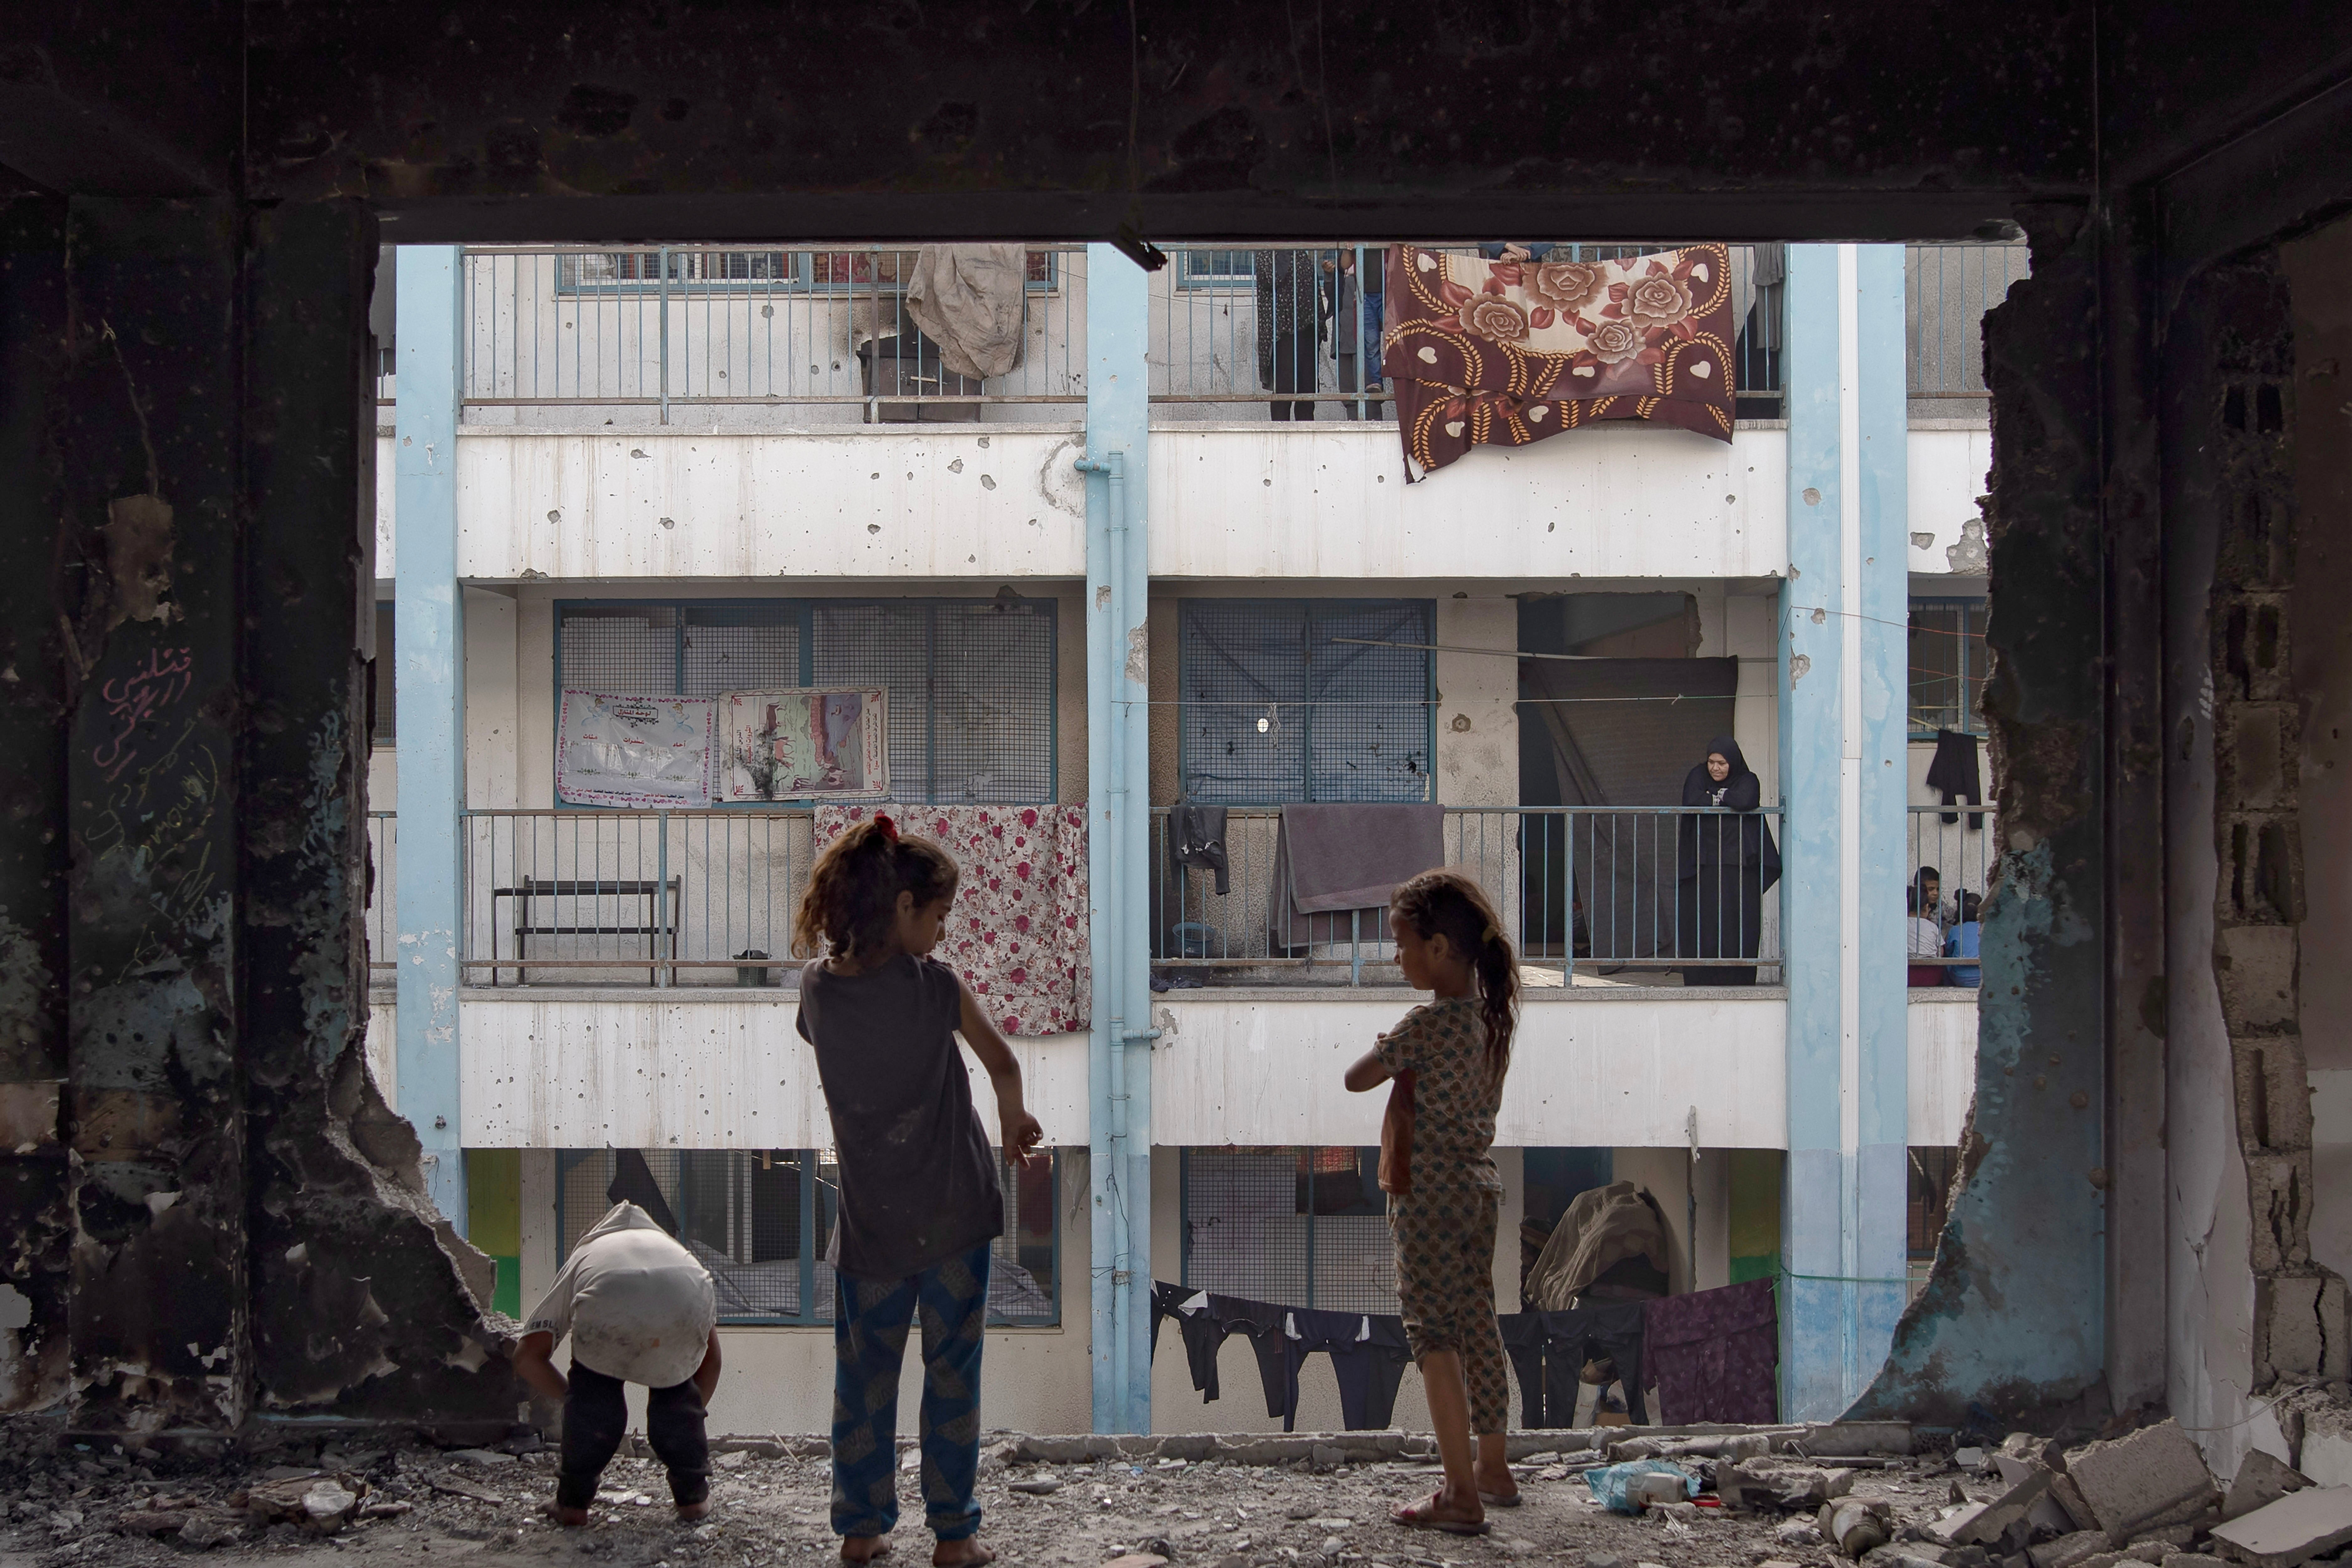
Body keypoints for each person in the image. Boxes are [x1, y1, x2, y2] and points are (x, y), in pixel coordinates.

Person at [792, 813, 1047, 1568]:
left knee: (863, 1383)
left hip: (871, 1228)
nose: (940, 932)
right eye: (937, 915)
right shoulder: (936, 988)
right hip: (955, 1218)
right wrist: (1013, 1119)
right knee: (951, 1380)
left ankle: (862, 1529)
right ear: (902, 907)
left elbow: (823, 1030)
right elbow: (1002, 1062)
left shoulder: (815, 991)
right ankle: (955, 1536)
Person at [1341, 870, 1521, 1536]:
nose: (1397, 956)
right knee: (1478, 1323)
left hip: (1429, 1191)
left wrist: (1395, 1046)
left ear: (1441, 948)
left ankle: (1459, 1493)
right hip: (1478, 1185)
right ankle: (1494, 1468)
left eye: (1403, 943)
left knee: (1433, 1334)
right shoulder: (1490, 1019)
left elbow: (1356, 1078)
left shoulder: (1430, 1023)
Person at [512, 1200, 722, 1527]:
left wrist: (575, 1401)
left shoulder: (588, 1253)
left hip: (608, 1291)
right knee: (676, 1393)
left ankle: (572, 1503)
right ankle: (693, 1497)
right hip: (687, 1288)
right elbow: (714, 1359)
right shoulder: (674, 1251)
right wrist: (690, 1409)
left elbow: (526, 1356)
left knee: (596, 1396)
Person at [1676, 736, 1780, 985]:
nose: (1715, 769)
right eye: (1712, 762)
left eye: (1722, 763)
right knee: (1704, 923)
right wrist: (1725, 798)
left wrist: (1716, 795)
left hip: (1739, 867)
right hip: (1704, 866)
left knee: (1737, 923)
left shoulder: (1747, 779)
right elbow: (1692, 798)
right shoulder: (1697, 775)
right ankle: (1700, 979)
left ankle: (1738, 979)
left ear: (1732, 762)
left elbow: (1746, 800)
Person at [1254, 248, 1323, 421]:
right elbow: (1272, 279)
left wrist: (1320, 324)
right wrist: (1286, 248)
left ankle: (1307, 438)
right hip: (1282, 332)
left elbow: (1312, 286)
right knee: (1284, 390)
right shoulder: (1266, 253)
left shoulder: (1301, 253)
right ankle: (1280, 436)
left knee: (1307, 389)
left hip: (1307, 328)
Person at [1908, 867, 1946, 986]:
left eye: (1938, 889)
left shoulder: (1943, 908)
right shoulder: (1906, 906)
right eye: (1931, 889)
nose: (1936, 893)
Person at [1944, 889, 1982, 987]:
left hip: (1960, 978)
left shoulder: (1955, 930)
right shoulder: (1987, 929)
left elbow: (1948, 952)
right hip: (1984, 978)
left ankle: (1947, 986)